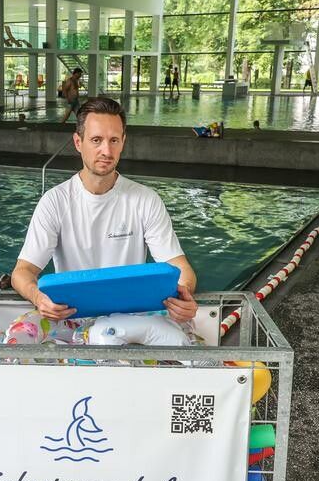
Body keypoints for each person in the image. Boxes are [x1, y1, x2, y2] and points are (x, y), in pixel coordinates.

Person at [11, 97, 198, 323]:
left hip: (132, 320)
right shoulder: (55, 202)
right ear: (78, 142)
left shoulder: (145, 200)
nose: (106, 151)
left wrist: (184, 295)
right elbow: (22, 272)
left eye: (114, 140)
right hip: (72, 317)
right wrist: (39, 298)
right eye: (96, 140)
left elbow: (180, 267)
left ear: (123, 142)